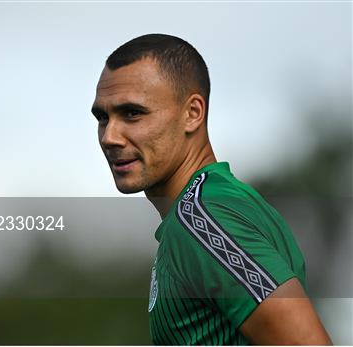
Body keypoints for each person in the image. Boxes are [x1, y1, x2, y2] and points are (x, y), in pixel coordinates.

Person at [91, 34, 332, 345]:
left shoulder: (204, 220)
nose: (110, 136)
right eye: (102, 117)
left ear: (192, 113)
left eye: (132, 114)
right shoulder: (216, 207)